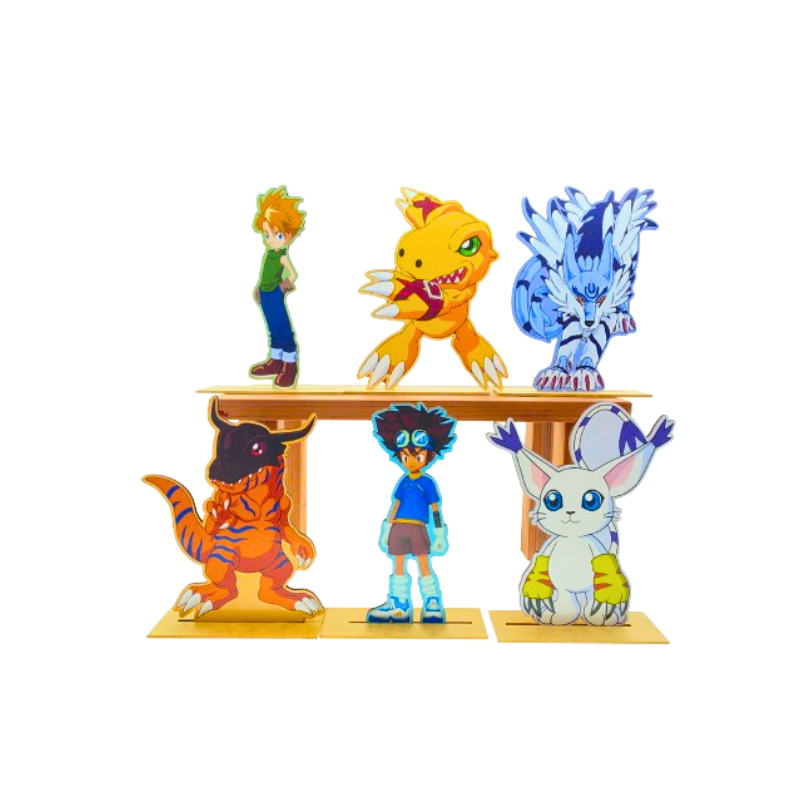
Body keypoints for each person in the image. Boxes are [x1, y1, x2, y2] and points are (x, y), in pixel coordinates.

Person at [367, 403, 457, 623]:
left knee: (423, 563)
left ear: (429, 455)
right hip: (399, 527)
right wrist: (387, 528)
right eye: (405, 456)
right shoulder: (403, 482)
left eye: (417, 454)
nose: (410, 460)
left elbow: (435, 508)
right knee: (398, 563)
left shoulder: (427, 483)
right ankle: (399, 604)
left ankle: (432, 602)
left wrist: (439, 533)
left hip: (418, 529)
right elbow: (395, 506)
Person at [249, 187, 305, 387]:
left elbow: (293, 274)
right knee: (273, 327)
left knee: (282, 327)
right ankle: (276, 360)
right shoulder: (269, 254)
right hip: (265, 294)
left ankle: (290, 364)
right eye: (267, 234)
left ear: (288, 235)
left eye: (277, 235)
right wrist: (259, 288)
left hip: (275, 293)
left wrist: (285, 285)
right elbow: (265, 274)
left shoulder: (282, 256)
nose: (271, 239)